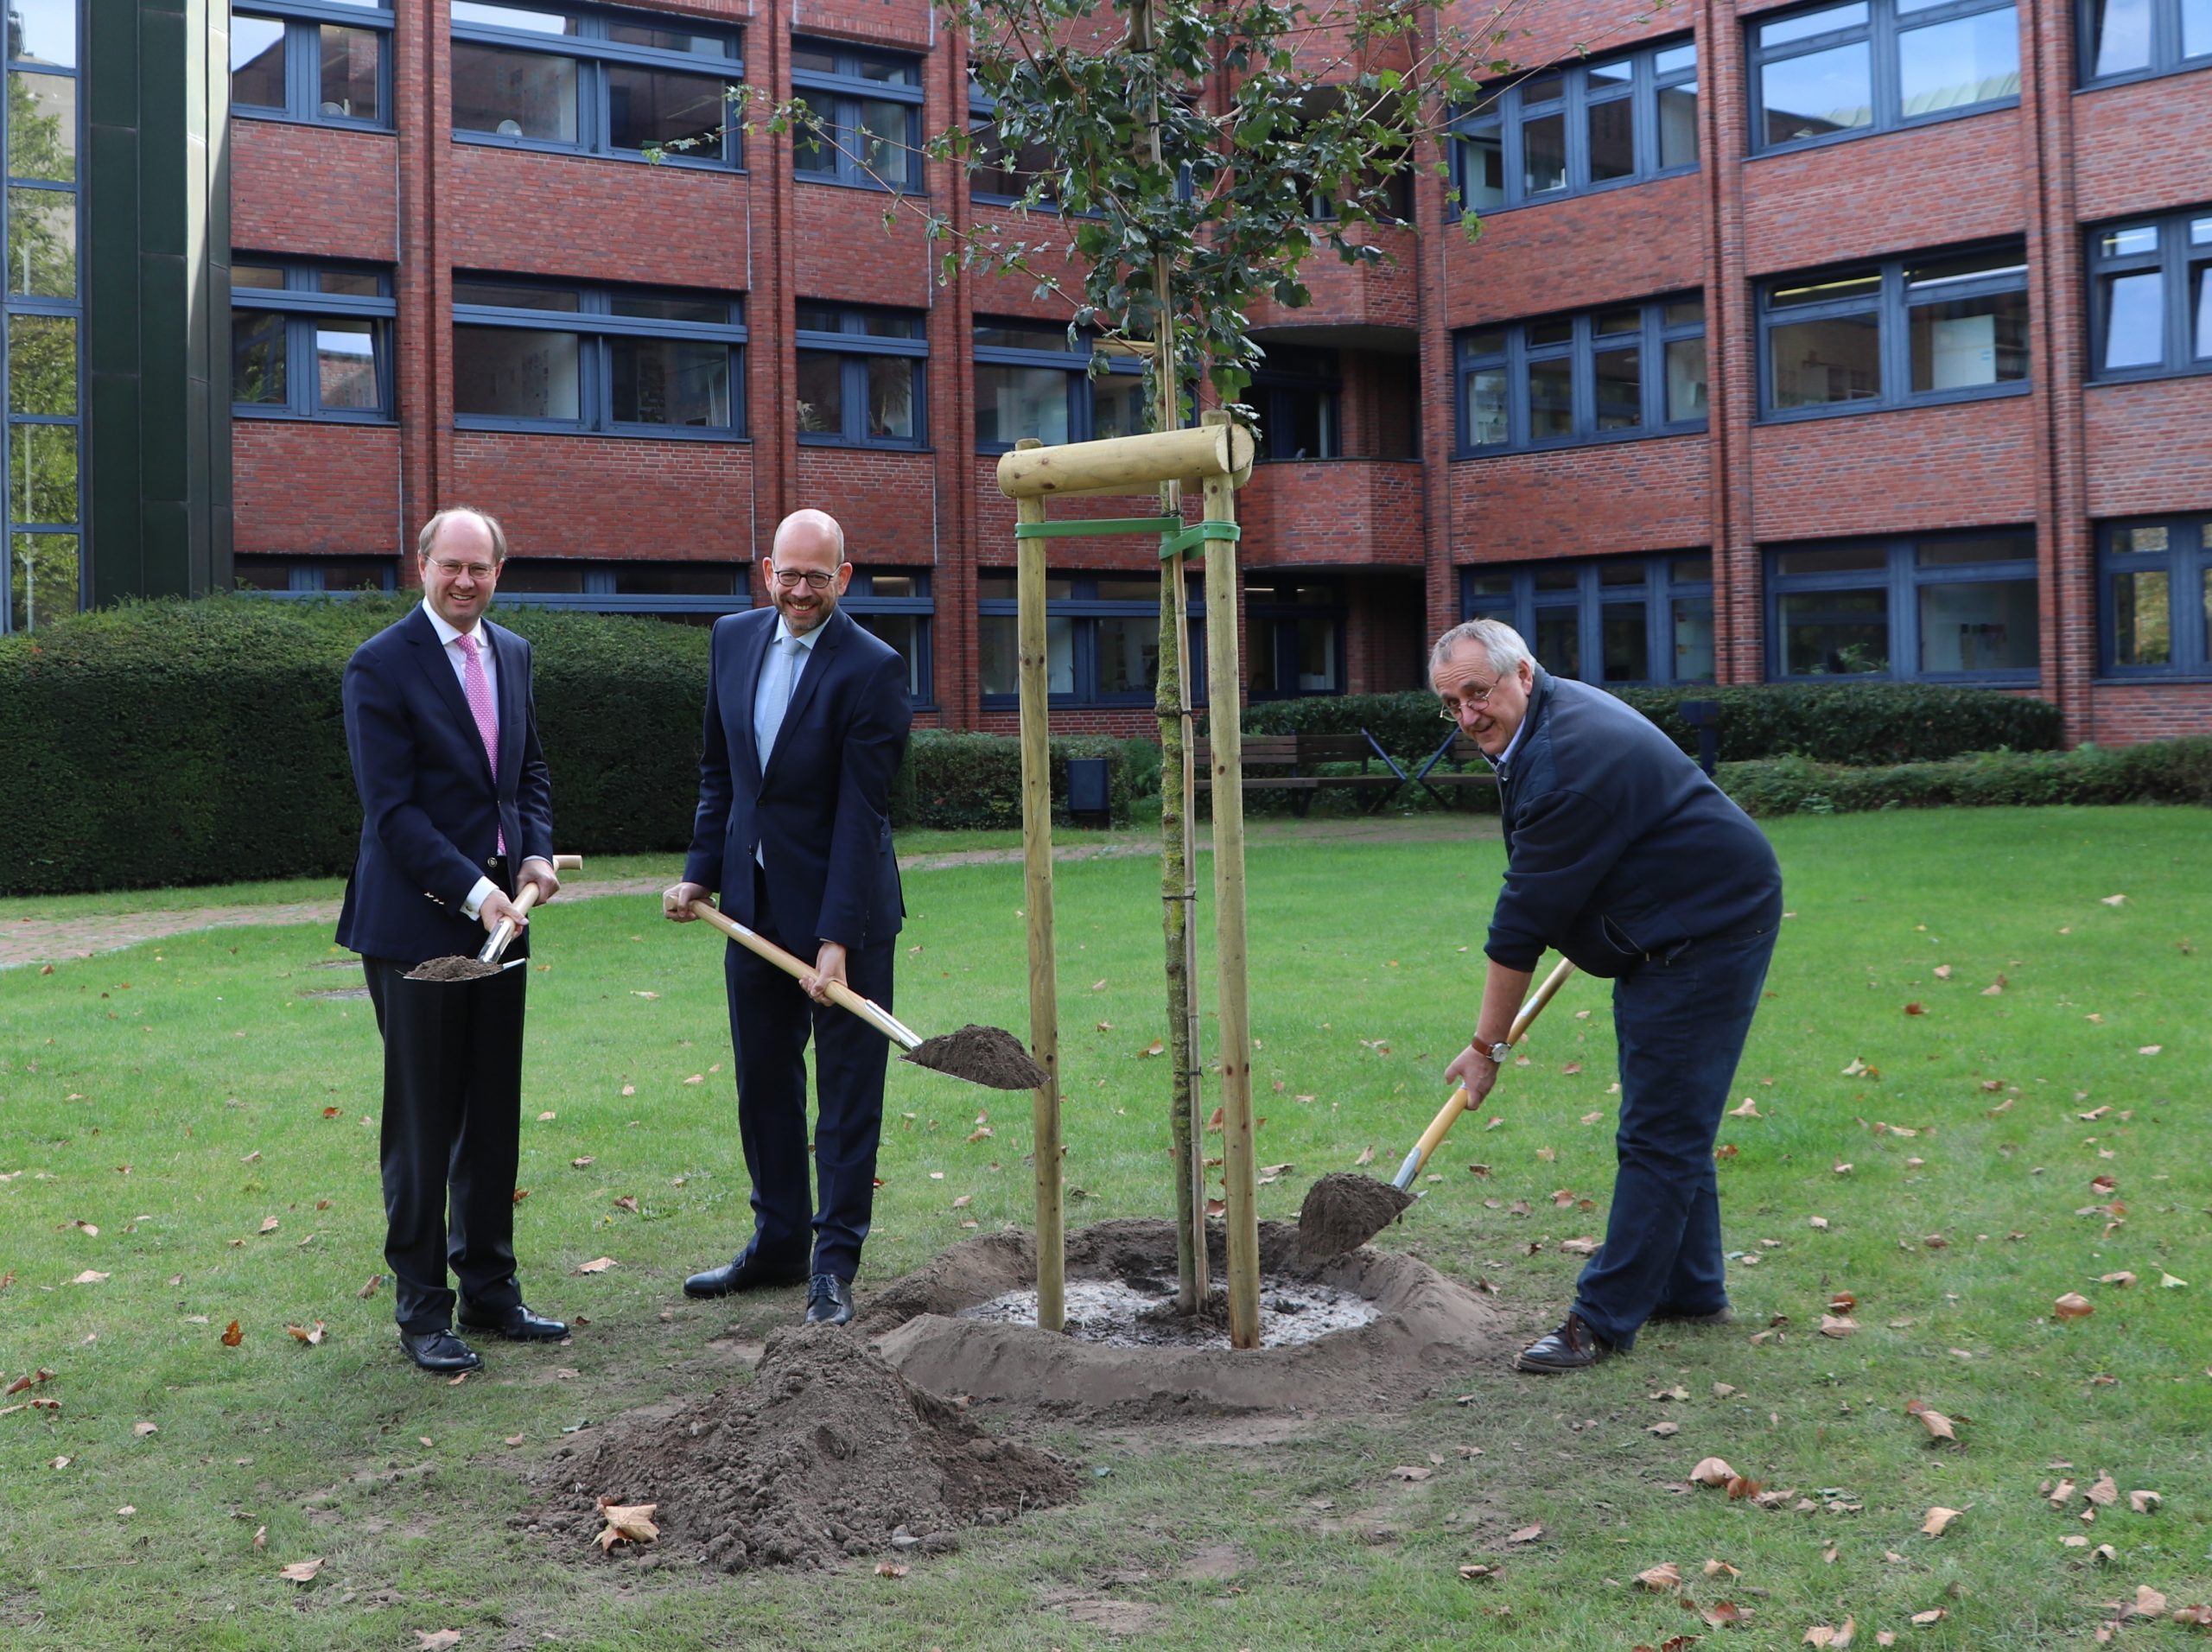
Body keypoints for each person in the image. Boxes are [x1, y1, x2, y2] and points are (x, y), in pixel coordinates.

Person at [1433, 618, 1782, 1374]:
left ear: (1524, 673)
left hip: (1706, 928)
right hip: (1663, 922)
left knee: (1660, 1131)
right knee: (1670, 1113)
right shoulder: (1542, 724)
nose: (1466, 716)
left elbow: (1519, 925)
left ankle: (1602, 1319)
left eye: (1477, 694)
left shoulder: (1569, 761)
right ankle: (1691, 1288)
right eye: (1451, 704)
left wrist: (1487, 1047)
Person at [664, 509, 912, 1328]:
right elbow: (719, 773)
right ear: (765, 571)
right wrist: (703, 875)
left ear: (844, 578)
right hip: (755, 908)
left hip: (849, 916)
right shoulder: (732, 640)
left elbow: (860, 816)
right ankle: (776, 1246)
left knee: (845, 1096)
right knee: (764, 1086)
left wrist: (836, 943)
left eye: (817, 577)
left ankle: (832, 1267)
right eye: (787, 575)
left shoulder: (872, 669)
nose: (800, 592)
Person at [337, 507, 568, 1374]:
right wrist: (478, 895)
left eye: (481, 568)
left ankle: (491, 1291)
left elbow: (529, 774)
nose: (465, 581)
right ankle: (423, 1310)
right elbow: (391, 811)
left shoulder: (511, 653)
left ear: (498, 573)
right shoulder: (379, 666)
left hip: (504, 925)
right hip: (417, 927)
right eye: (451, 566)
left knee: (491, 1113)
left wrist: (536, 855)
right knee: (425, 1124)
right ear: (422, 564)